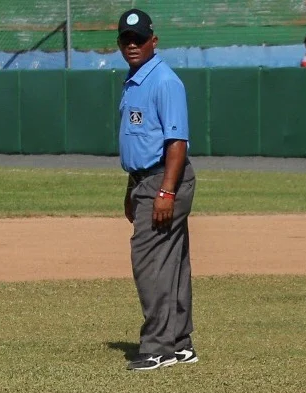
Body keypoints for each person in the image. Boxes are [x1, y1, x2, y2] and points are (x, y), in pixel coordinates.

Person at [117, 8, 197, 372]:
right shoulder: (136, 79)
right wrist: (131, 189)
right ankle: (180, 344)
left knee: (149, 262)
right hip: (146, 181)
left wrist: (165, 192)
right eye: (126, 39)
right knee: (172, 262)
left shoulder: (164, 81)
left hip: (166, 178)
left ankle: (158, 347)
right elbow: (138, 141)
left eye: (139, 39)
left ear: (154, 41)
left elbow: (176, 143)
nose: (132, 45)